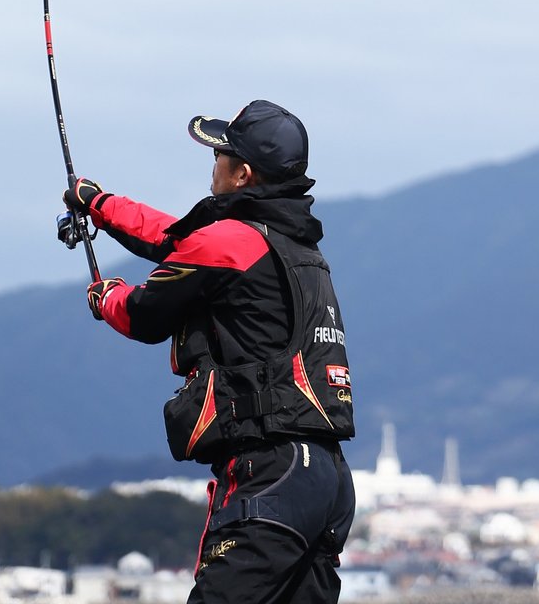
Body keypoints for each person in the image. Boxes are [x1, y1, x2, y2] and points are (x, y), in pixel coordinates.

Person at [64, 99, 356, 604]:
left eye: (220, 154)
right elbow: (180, 239)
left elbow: (141, 315)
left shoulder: (230, 243)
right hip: (326, 480)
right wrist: (100, 204)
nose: (212, 164)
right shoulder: (302, 252)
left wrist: (104, 294)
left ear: (242, 174)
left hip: (268, 476)